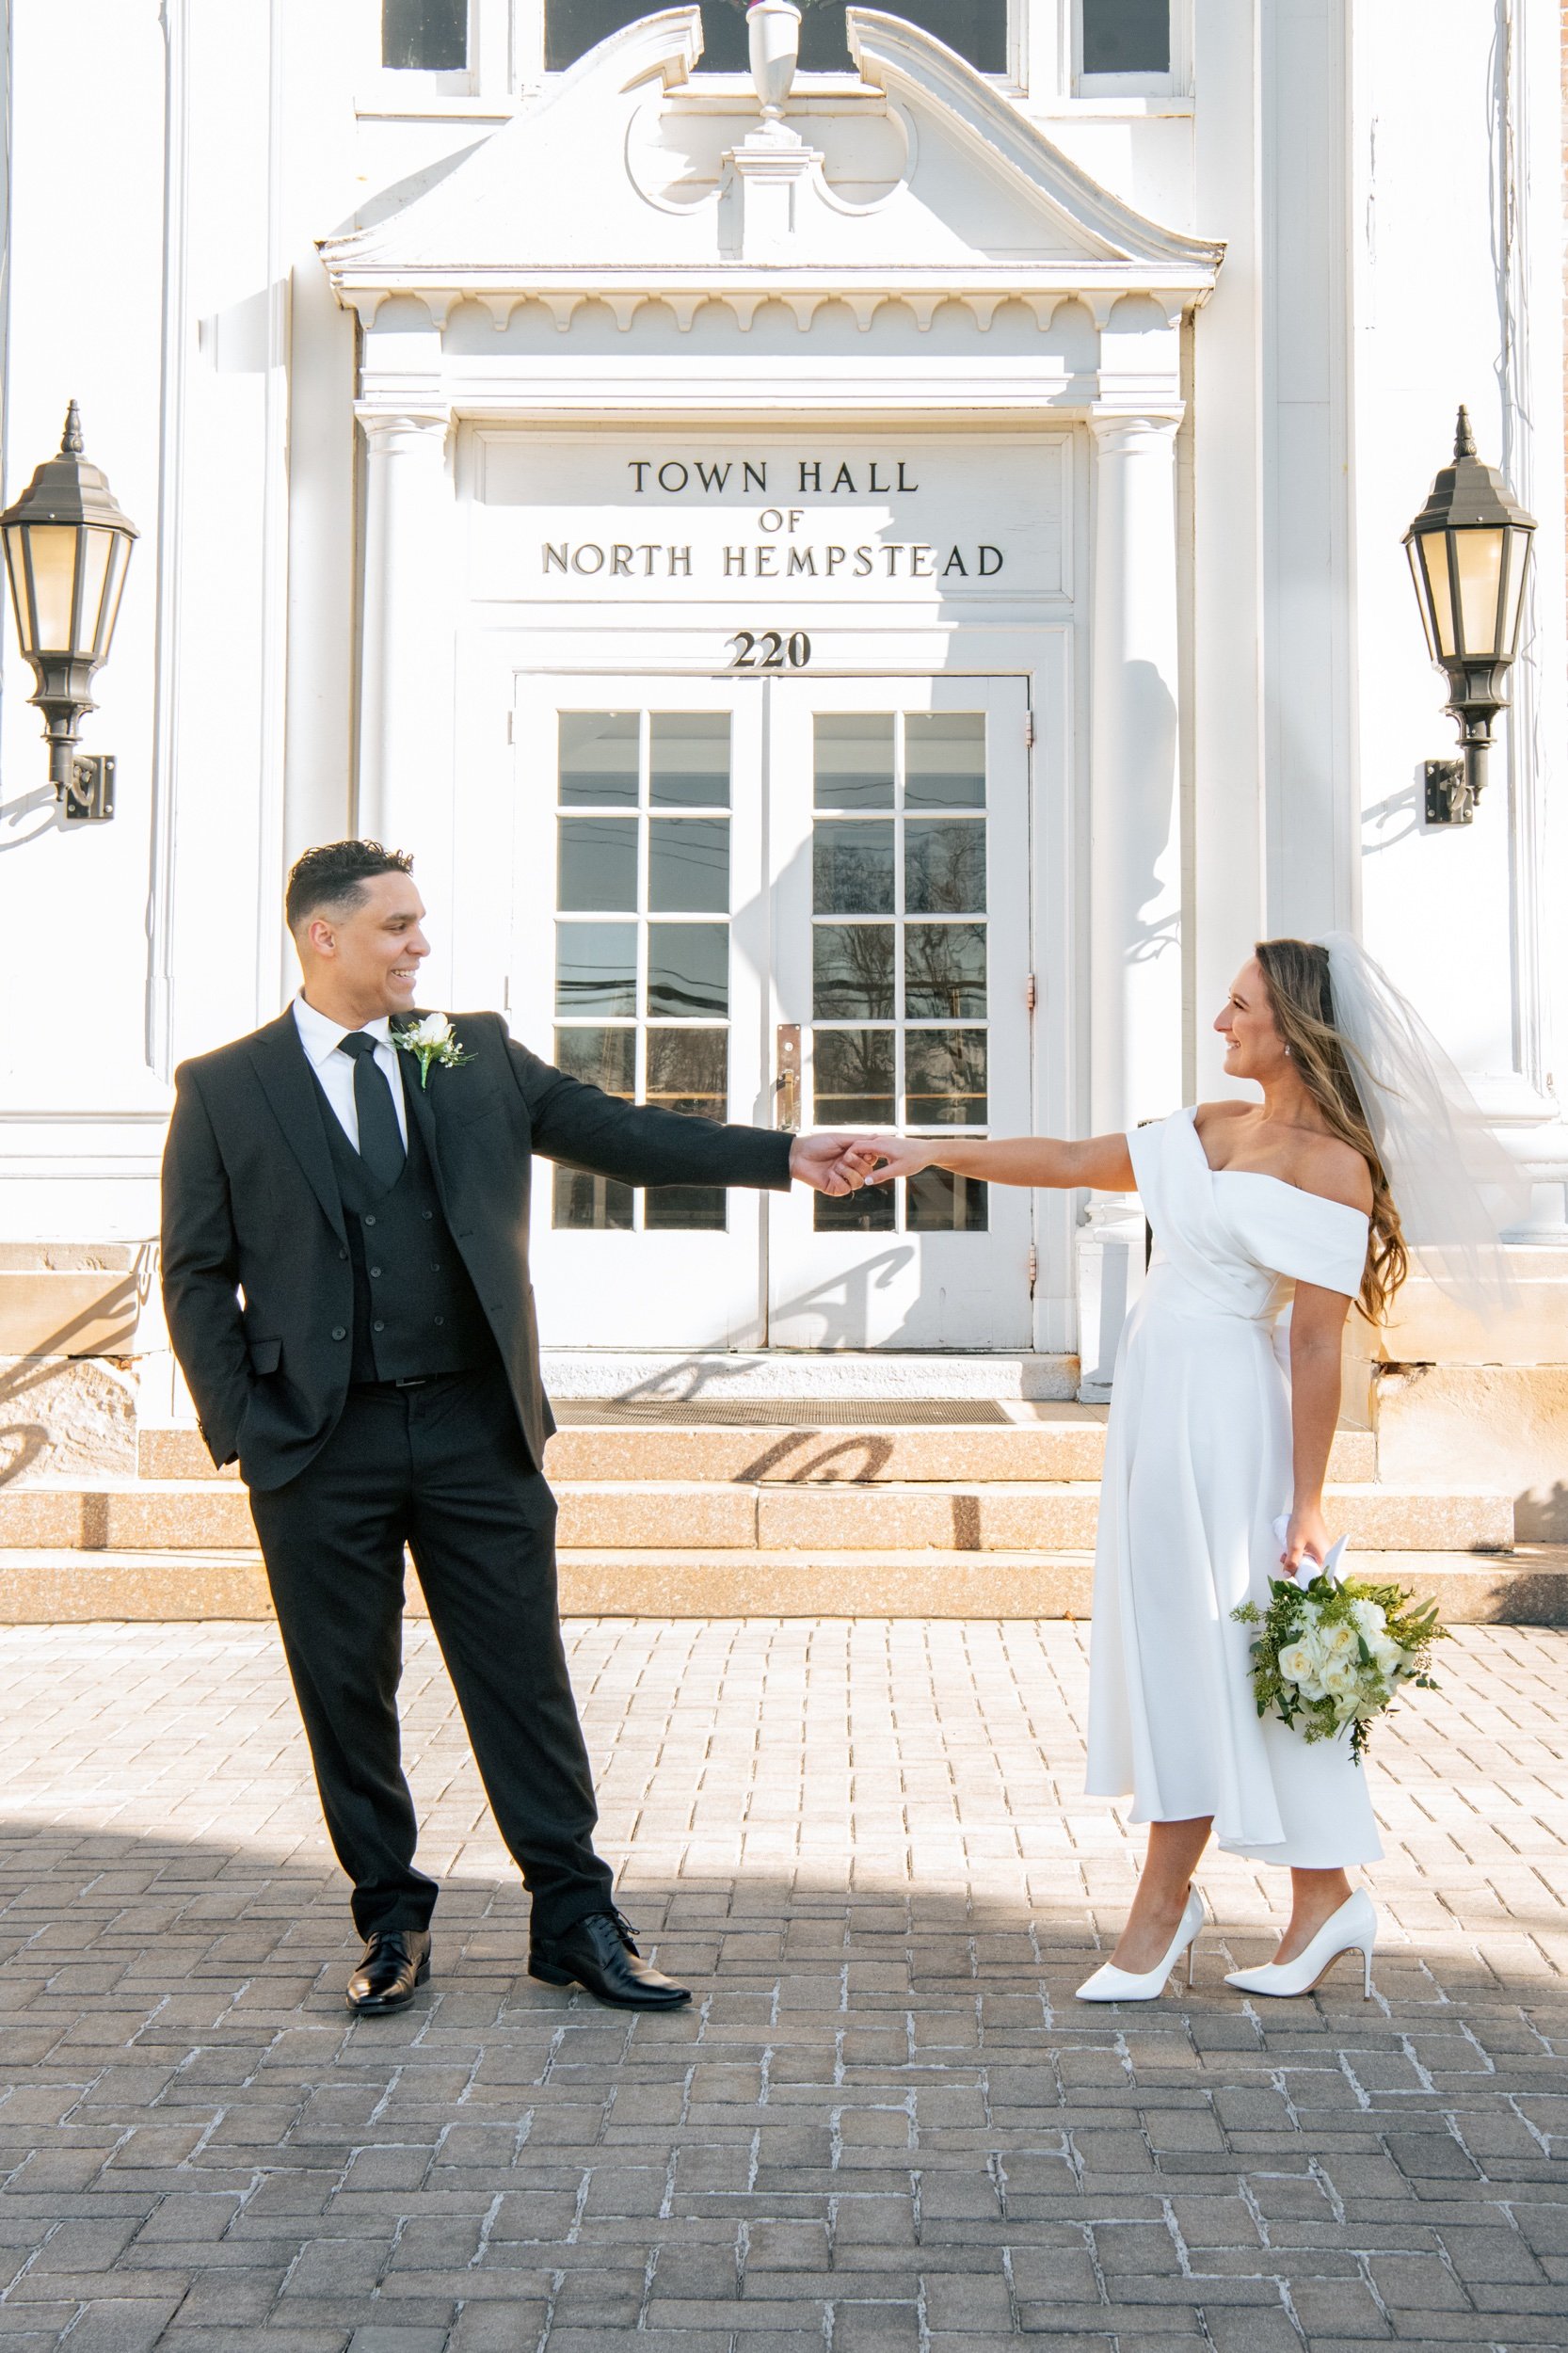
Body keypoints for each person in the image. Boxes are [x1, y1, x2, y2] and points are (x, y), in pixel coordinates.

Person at [161, 839, 881, 2016]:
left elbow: (621, 1136)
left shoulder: (468, 1051)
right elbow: (196, 1274)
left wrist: (785, 1154)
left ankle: (574, 1914)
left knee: (522, 1676)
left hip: (471, 1428)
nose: (420, 945)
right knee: (346, 1687)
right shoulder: (228, 1086)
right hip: (314, 1444)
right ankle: (390, 1919)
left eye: (420, 923)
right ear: (321, 936)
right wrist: (245, 1423)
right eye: (396, 925)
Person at [864, 935, 1523, 2003]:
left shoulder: (1331, 1166)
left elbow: (1315, 1343)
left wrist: (1307, 1500)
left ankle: (1163, 1911)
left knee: (1205, 1648)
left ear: (1294, 1026)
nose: (1219, 1023)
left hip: (1228, 1428)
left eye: (1237, 1006)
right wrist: (933, 1150)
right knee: (1214, 1653)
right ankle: (1323, 1896)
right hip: (1154, 1416)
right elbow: (1075, 1161)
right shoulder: (1208, 1126)